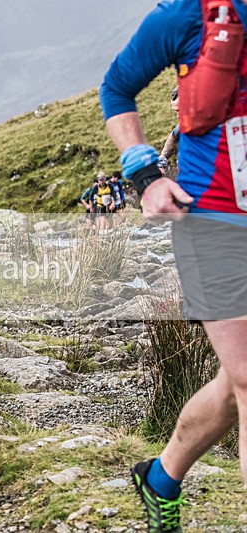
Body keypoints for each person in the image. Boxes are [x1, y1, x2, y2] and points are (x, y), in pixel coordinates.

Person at [101, 1, 247, 531]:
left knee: (236, 382)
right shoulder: (190, 17)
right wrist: (146, 173)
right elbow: (116, 87)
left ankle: (161, 477)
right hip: (215, 227)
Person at [157, 86, 181, 180]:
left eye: (181, 110)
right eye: (176, 111)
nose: (178, 116)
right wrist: (161, 161)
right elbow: (174, 137)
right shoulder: (185, 123)